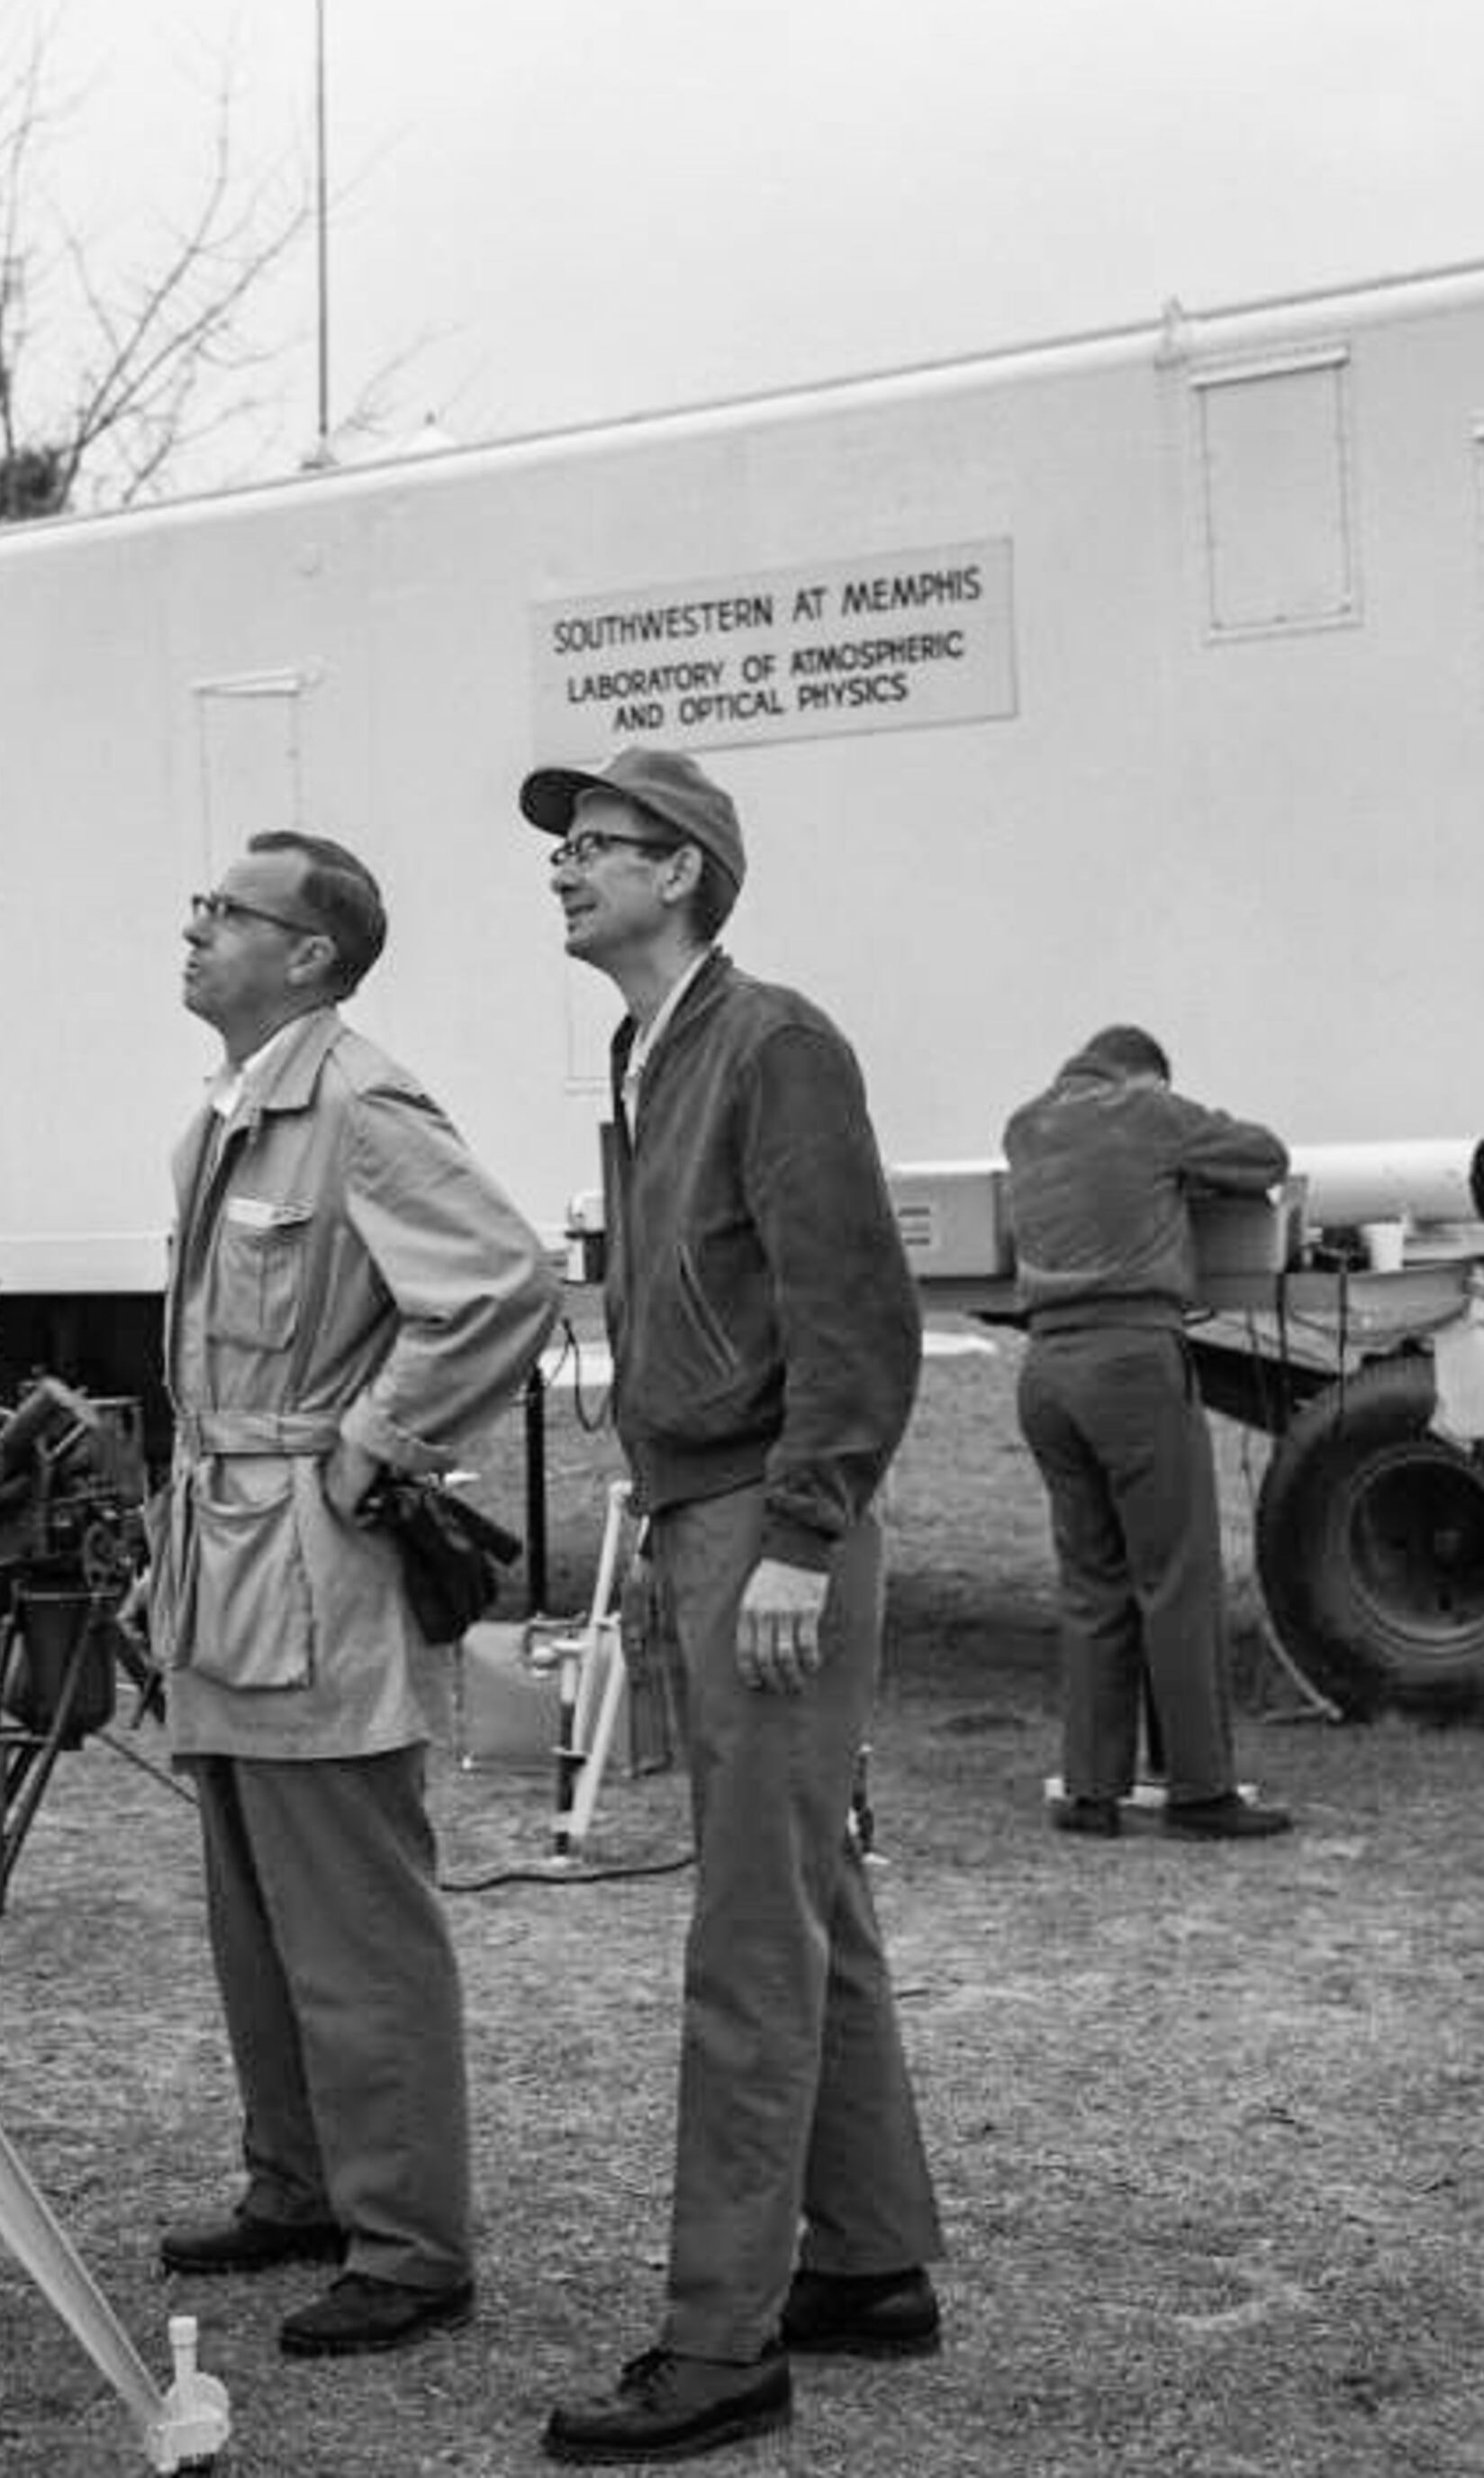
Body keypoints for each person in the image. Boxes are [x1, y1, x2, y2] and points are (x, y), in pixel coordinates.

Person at [516, 745, 946, 2468]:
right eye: (563, 848)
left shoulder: (773, 1042)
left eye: (594, 844)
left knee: (749, 1936)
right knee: (805, 1888)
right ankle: (870, 2258)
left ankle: (721, 2341)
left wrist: (802, 1529)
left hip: (766, 1523)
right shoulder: (653, 1052)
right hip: (705, 1509)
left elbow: (858, 1310)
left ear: (681, 867)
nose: (563, 868)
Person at [149, 829, 557, 2361]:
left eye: (227, 910)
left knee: (353, 1917)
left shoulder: (361, 1107)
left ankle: (409, 2243)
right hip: (223, 1550)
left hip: (305, 1560)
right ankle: (303, 2182)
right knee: (256, 1905)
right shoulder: (233, 1115)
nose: (195, 927)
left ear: (310, 955)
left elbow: (501, 1282)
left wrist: (374, 1443)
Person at [1000, 1024, 1294, 1842]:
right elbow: (1265, 1156)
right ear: (1148, 1076)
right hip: (1131, 1361)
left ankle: (1092, 1792)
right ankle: (1200, 1792)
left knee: (1092, 1582)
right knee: (1175, 1578)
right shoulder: (1148, 1110)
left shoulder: (1025, 1126)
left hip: (1046, 1369)